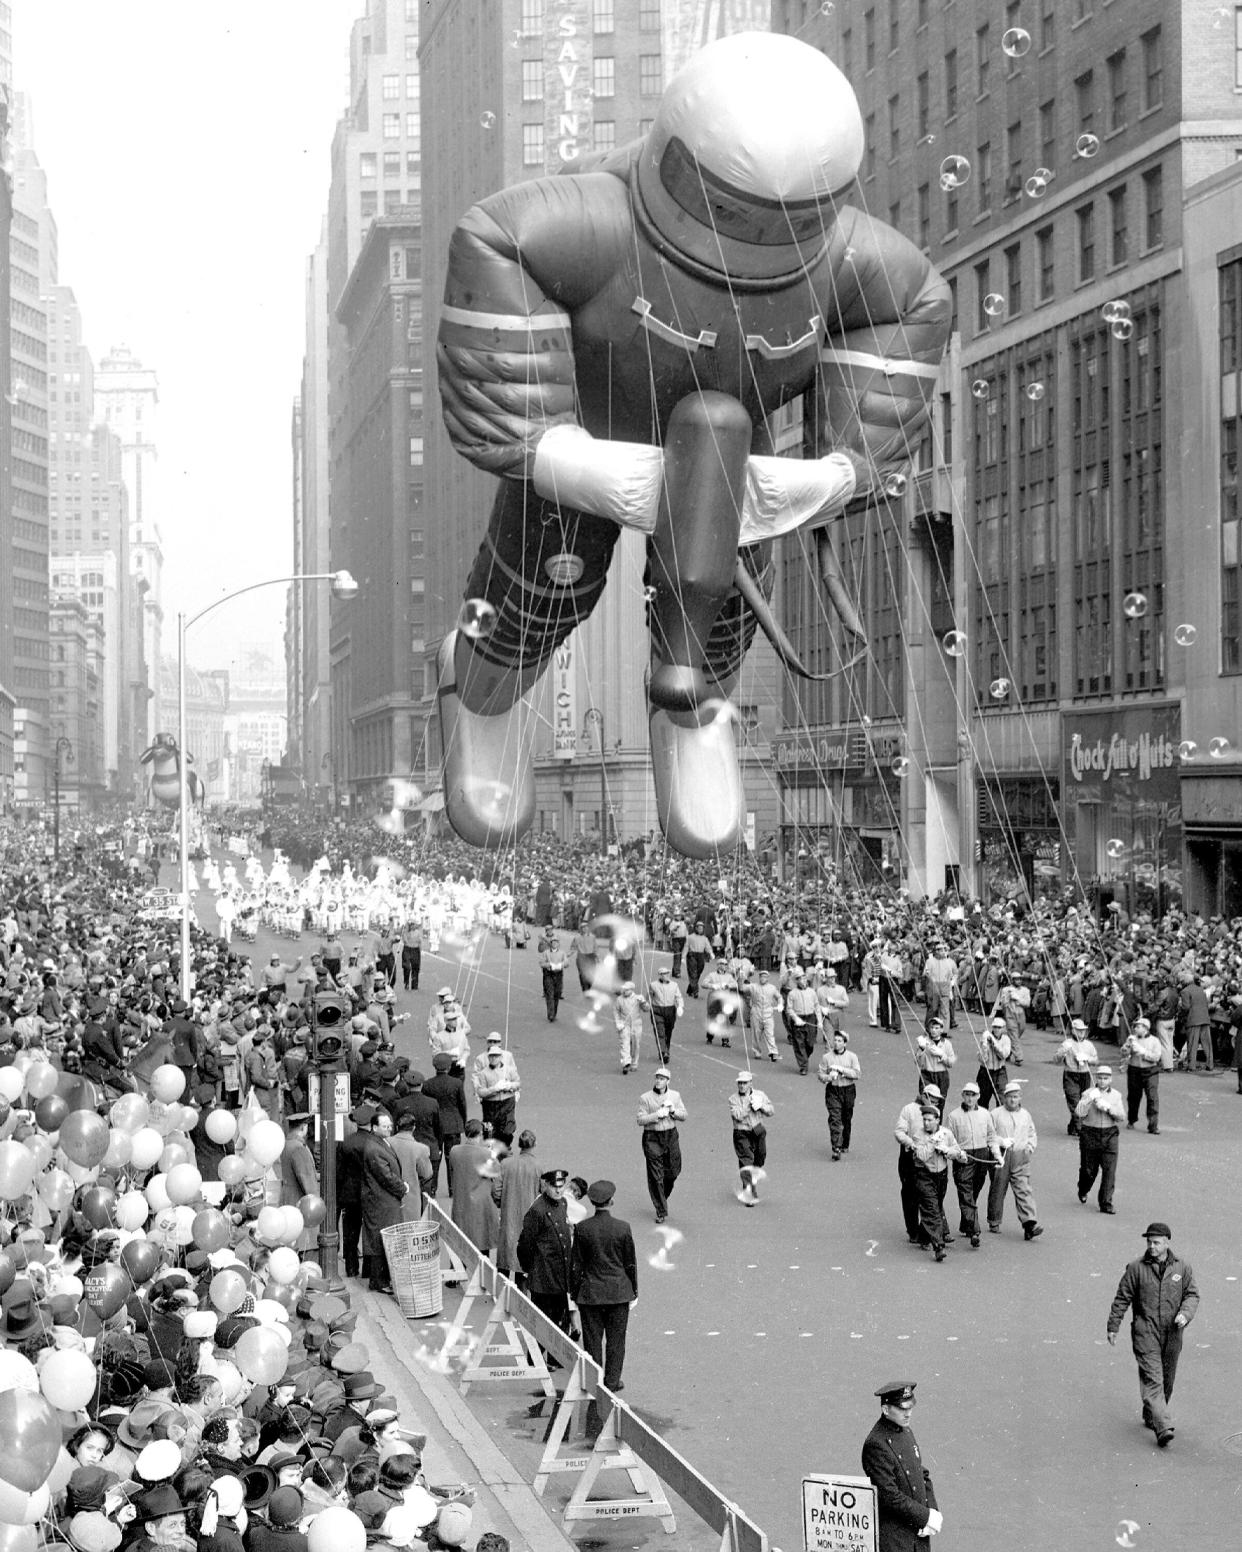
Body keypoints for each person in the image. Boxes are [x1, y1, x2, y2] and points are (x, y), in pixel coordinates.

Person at [1106, 1221, 1200, 1448]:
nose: (1152, 1247)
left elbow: (1192, 1295)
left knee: (1167, 1380)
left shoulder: (1182, 1268)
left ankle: (1152, 1415)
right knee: (1153, 1379)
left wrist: (1185, 1315)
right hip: (1145, 1331)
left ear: (1167, 1243)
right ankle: (1163, 1427)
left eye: (1156, 1242)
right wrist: (1113, 1326)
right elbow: (1122, 1298)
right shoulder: (1136, 1268)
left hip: (1173, 1332)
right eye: (1149, 1242)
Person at [570, 1180, 638, 1435]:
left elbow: (577, 1264)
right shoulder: (622, 1228)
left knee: (593, 1339)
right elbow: (630, 1263)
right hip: (618, 1292)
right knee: (617, 1340)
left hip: (591, 1294)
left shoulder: (583, 1229)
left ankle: (595, 1381)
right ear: (611, 1201)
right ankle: (612, 1381)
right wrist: (634, 1290)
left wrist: (574, 1292)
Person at [860, 1380, 943, 1549]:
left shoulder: (905, 1430)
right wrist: (924, 1517)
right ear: (885, 1410)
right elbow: (888, 1495)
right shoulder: (876, 1444)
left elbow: (922, 1474)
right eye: (902, 1409)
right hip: (895, 1542)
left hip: (918, 1536)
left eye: (910, 1408)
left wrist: (932, 1511)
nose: (908, 1414)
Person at [516, 1168, 575, 1358]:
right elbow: (525, 1245)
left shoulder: (563, 1203)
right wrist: (529, 1269)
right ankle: (535, 1357)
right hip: (543, 1275)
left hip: (560, 1273)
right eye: (554, 1187)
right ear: (546, 1186)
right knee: (542, 1320)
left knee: (560, 1318)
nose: (558, 1191)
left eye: (561, 1186)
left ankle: (556, 1358)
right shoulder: (537, 1211)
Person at [360, 1110, 410, 1294]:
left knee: (383, 1238)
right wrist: (403, 1188)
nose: (389, 1128)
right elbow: (385, 1176)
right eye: (385, 1126)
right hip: (380, 1200)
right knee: (380, 1239)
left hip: (383, 1199)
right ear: (374, 1128)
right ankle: (379, 1281)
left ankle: (382, 1279)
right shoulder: (373, 1148)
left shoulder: (380, 1143)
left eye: (390, 1125)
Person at [910, 1104, 967, 1261]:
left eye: (929, 1120)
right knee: (932, 1209)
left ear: (937, 1120)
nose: (926, 1123)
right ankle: (938, 1246)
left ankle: (924, 1236)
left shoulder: (946, 1133)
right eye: (924, 1120)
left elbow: (956, 1151)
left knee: (935, 1206)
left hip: (941, 1175)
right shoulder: (918, 1135)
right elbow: (921, 1155)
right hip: (924, 1175)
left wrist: (948, 1151)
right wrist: (932, 1143)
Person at [987, 1081, 1043, 1240]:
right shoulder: (995, 1114)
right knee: (998, 1187)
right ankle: (994, 1220)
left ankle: (1029, 1224)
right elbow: (988, 1134)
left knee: (1024, 1189)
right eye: (1010, 1097)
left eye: (1016, 1097)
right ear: (1004, 1098)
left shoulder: (1025, 1114)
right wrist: (1000, 1141)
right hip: (1002, 1155)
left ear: (1020, 1098)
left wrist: (1030, 1148)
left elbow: (1032, 1133)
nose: (1013, 1100)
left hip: (1020, 1156)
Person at [944, 1082, 996, 1249]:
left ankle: (966, 1224)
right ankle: (975, 1231)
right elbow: (948, 1140)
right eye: (967, 1094)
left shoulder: (985, 1114)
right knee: (965, 1193)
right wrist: (957, 1154)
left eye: (973, 1095)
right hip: (964, 1157)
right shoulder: (953, 1116)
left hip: (982, 1155)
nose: (970, 1098)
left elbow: (991, 1135)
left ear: (979, 1096)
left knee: (974, 1190)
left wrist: (995, 1152)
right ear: (962, 1096)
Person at [636, 1067, 686, 1224]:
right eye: (657, 1078)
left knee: (673, 1172)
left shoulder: (675, 1096)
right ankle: (661, 1210)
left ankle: (661, 1196)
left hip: (670, 1136)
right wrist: (656, 1115)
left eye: (662, 1078)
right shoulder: (645, 1098)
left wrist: (673, 1111)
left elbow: (684, 1115)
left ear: (668, 1081)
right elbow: (640, 1119)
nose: (659, 1081)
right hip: (653, 1138)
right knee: (656, 1176)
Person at [1075, 1064, 1126, 1214]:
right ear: (1096, 1078)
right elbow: (1079, 1113)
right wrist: (1088, 1100)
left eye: (1106, 1078)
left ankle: (1105, 1203)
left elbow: (1121, 1116)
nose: (1103, 1081)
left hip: (1109, 1134)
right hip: (1090, 1133)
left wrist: (1108, 1108)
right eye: (1100, 1078)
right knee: (1089, 1170)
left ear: (1110, 1079)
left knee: (1109, 1170)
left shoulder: (1116, 1095)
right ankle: (1083, 1189)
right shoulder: (1088, 1093)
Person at [894, 1087, 938, 1246]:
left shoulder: (935, 1112)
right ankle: (913, 1231)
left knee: (928, 1194)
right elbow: (899, 1132)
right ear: (924, 1096)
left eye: (937, 1100)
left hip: (929, 1157)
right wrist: (911, 1144)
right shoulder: (909, 1109)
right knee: (910, 1195)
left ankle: (927, 1231)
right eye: (933, 1099)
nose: (936, 1103)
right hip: (910, 1157)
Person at [495, 1128, 542, 1276]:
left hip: (509, 1216)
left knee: (505, 1260)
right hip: (528, 1218)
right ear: (534, 1145)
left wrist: (503, 1203)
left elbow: (496, 1191)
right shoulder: (538, 1167)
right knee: (523, 1267)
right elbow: (543, 1193)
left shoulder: (506, 1164)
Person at [423, 1052, 468, 1195]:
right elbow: (462, 1104)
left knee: (435, 1158)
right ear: (449, 1067)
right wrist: (463, 1122)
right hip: (453, 1124)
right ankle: (452, 1188)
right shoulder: (456, 1083)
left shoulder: (428, 1084)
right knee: (452, 1158)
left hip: (435, 1126)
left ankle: (432, 1187)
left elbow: (427, 1105)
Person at [729, 1070, 774, 1203]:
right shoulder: (733, 1099)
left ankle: (752, 1178)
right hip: (742, 1132)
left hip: (757, 1130)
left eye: (744, 1083)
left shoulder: (760, 1095)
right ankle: (748, 1191)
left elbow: (771, 1111)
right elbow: (737, 1115)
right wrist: (749, 1105)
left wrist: (761, 1106)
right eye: (740, 1083)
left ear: (750, 1083)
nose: (742, 1086)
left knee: (760, 1157)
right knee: (747, 1161)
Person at [817, 1030, 860, 1160]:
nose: (836, 1043)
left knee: (846, 1118)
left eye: (839, 1041)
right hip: (833, 1090)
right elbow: (820, 1075)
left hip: (848, 1090)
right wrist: (828, 1077)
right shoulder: (827, 1057)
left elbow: (857, 1074)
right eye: (835, 1040)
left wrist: (843, 1070)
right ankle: (836, 1146)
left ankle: (845, 1143)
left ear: (845, 1043)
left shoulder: (852, 1057)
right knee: (835, 1119)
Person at [1055, 1017, 1098, 1136]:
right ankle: (1080, 1127)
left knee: (1083, 1102)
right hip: (1070, 1074)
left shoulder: (1089, 1045)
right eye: (1078, 1030)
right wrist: (1063, 1051)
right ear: (1073, 1030)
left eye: (1083, 1030)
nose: (1081, 1032)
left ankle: (1073, 1126)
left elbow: (1096, 1060)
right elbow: (1056, 1059)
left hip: (1085, 1074)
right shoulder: (1067, 1043)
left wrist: (1087, 1058)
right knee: (1074, 1101)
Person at [472, 1042, 520, 1148]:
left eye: (496, 1056)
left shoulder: (509, 1070)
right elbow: (481, 1092)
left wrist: (509, 1085)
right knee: (490, 1132)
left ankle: (505, 1148)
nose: (493, 1058)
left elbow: (517, 1083)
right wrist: (494, 1089)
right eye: (491, 1056)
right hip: (491, 1106)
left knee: (507, 1131)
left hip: (507, 1103)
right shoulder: (483, 1073)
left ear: (501, 1057)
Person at [1122, 1017, 1163, 1134]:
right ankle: (1131, 1119)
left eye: (1138, 1026)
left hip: (1150, 1071)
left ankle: (1153, 1125)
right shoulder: (1132, 1039)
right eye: (1135, 1026)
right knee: (1133, 1097)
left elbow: (1156, 1057)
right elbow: (1123, 1053)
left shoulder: (1155, 1041)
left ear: (1146, 1028)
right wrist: (1127, 1046)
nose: (1135, 1028)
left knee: (1152, 1098)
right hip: (1134, 1070)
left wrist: (1143, 1052)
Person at [782, 967, 821, 1074]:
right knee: (799, 1044)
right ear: (797, 981)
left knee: (810, 1044)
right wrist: (796, 1018)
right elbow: (789, 1009)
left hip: (811, 1018)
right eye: (800, 979)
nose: (803, 981)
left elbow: (817, 1006)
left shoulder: (812, 992)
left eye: (804, 978)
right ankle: (803, 1066)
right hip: (798, 1019)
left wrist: (820, 1021)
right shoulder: (792, 993)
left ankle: (804, 1057)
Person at [647, 966, 684, 1065]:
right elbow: (649, 997)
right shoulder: (653, 985)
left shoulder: (674, 985)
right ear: (660, 975)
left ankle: (665, 1050)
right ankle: (664, 1052)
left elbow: (678, 996)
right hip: (657, 1010)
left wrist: (680, 1006)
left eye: (667, 973)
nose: (666, 975)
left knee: (668, 1032)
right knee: (660, 1032)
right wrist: (647, 1005)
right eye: (663, 974)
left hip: (670, 1010)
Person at [748, 968, 783, 1062]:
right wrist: (742, 975)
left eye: (765, 976)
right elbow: (742, 987)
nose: (763, 978)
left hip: (768, 1014)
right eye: (761, 976)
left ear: (768, 978)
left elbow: (779, 997)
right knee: (756, 1034)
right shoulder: (753, 986)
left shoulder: (772, 988)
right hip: (756, 1012)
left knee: (770, 1034)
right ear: (759, 977)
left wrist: (780, 1004)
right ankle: (757, 1051)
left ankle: (773, 1052)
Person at [614, 980, 648, 1073]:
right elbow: (616, 1011)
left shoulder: (638, 998)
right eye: (623, 989)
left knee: (636, 1044)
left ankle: (634, 1063)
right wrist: (618, 1022)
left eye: (626, 990)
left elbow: (647, 1009)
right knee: (625, 1043)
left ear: (632, 990)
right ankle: (626, 1062)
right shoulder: (619, 999)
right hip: (625, 1025)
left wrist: (644, 1002)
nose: (624, 991)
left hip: (637, 1024)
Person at [976, 1017, 1011, 1109]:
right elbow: (982, 1059)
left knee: (1002, 1099)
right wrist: (985, 1047)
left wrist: (994, 1044)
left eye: (999, 1028)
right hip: (986, 1071)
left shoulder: (1006, 1039)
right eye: (994, 1027)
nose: (996, 1030)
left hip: (1000, 1071)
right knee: (983, 1099)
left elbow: (1003, 1055)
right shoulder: (985, 1037)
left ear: (1003, 1028)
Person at [538, 931, 566, 1021]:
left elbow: (566, 962)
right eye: (553, 942)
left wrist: (561, 965)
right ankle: (551, 1014)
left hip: (558, 975)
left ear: (558, 944)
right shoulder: (546, 953)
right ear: (551, 944)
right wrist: (549, 965)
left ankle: (554, 1012)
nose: (555, 944)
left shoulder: (562, 953)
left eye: (556, 942)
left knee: (556, 994)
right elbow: (541, 963)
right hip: (549, 974)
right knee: (549, 994)